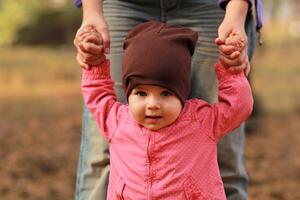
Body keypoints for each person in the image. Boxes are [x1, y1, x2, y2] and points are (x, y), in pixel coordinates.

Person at [73, 0, 261, 199]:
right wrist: (94, 62)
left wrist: (231, 72)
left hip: (210, 5)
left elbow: (237, 107)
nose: (153, 104)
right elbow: (97, 94)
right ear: (129, 93)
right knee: (99, 158)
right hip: (123, 3)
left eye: (166, 94)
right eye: (141, 93)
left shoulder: (201, 121)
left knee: (226, 159)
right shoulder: (117, 121)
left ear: (182, 93)